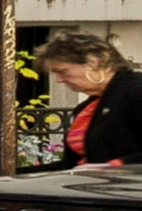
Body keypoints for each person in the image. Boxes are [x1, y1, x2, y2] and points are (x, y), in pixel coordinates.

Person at [46, 32, 142, 168]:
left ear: (93, 63)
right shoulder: (87, 107)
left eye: (63, 71)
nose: (59, 80)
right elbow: (71, 165)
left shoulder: (136, 90)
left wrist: (115, 166)